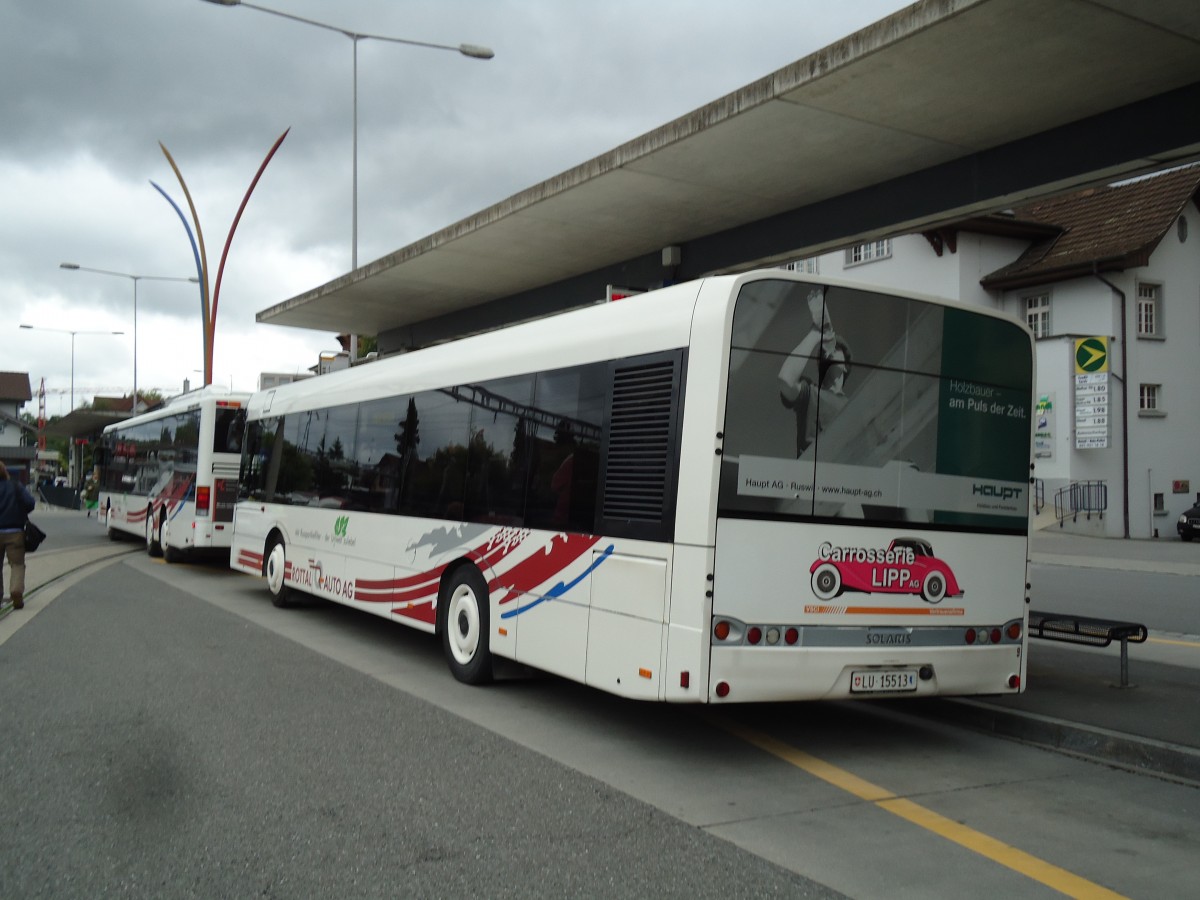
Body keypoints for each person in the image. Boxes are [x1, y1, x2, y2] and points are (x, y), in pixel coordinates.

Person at [777, 287, 853, 456]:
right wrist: (813, 335)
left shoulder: (856, 406)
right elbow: (786, 380)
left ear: (846, 366)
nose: (827, 352)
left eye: (836, 348)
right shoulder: (809, 393)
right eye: (822, 353)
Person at [0, 461, 37, 610]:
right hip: (15, 531)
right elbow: (30, 503)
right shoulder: (15, 486)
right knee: (17, 564)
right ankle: (16, 590)